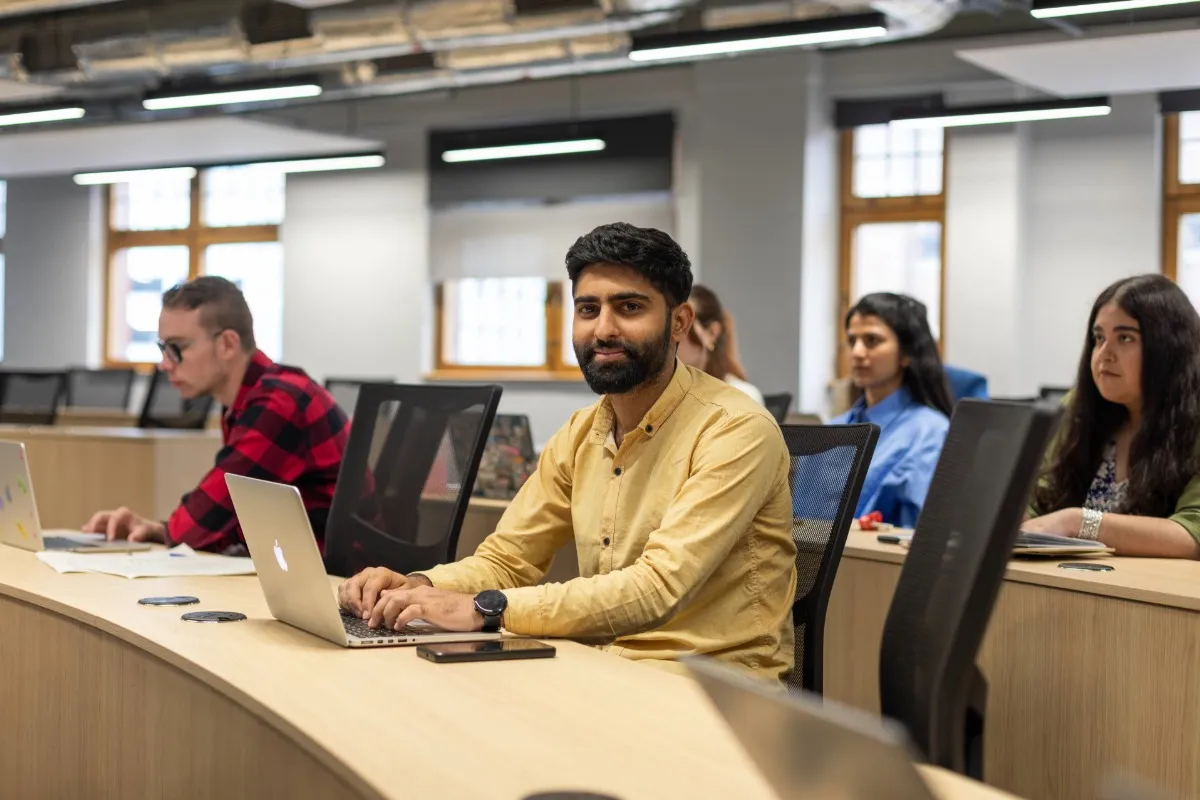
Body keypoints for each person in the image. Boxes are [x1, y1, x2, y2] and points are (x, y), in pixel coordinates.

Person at [338, 222, 797, 678]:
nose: (604, 329)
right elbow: (507, 559)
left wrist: (484, 609)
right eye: (588, 309)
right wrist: (418, 585)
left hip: (714, 692)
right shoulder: (581, 433)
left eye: (630, 307)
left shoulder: (736, 428)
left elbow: (657, 588)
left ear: (679, 322)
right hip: (603, 666)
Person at [83, 277, 350, 555]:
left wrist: (169, 531)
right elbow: (231, 519)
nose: (164, 364)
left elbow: (209, 516)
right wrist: (157, 530)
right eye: (163, 348)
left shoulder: (280, 401)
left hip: (340, 580)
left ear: (227, 344)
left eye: (177, 348)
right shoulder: (245, 400)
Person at [1025, 275, 1200, 559]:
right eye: (1099, 338)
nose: (1104, 354)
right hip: (1072, 585)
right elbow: (1039, 501)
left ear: (1169, 346)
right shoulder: (1079, 407)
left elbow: (1193, 534)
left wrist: (1079, 522)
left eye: (1125, 338)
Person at [833, 293, 953, 528]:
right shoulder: (832, 428)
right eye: (852, 340)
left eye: (872, 340)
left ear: (906, 354)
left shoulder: (930, 432)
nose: (857, 352)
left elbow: (916, 533)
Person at [676, 284, 765, 406]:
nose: (673, 336)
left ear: (712, 333)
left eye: (683, 324)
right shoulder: (663, 395)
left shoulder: (742, 396)